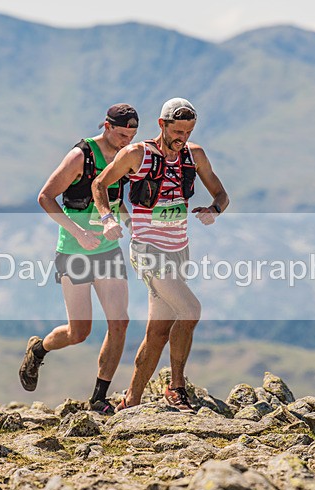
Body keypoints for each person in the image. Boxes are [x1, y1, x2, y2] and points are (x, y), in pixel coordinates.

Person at [91, 97, 228, 413]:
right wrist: (107, 216)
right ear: (162, 124)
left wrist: (214, 209)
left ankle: (131, 401)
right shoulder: (137, 155)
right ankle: (176, 387)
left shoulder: (195, 156)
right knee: (191, 309)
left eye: (188, 132)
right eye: (177, 131)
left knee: (158, 333)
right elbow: (100, 184)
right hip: (148, 251)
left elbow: (222, 193)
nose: (183, 138)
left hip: (179, 250)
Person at [19, 104, 139, 414]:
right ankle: (38, 348)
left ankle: (99, 398)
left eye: (132, 135)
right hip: (73, 251)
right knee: (79, 332)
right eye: (122, 134)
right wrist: (79, 233)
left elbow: (116, 199)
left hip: (107, 250)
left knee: (120, 323)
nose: (127, 140)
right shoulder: (80, 157)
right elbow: (45, 196)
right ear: (106, 126)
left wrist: (131, 224)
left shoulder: (126, 157)